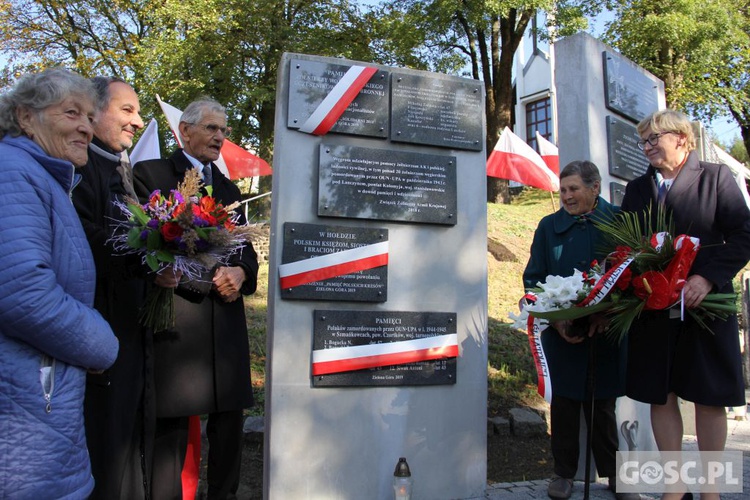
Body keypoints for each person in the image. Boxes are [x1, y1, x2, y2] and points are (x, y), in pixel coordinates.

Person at [0, 68, 119, 498]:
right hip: (23, 415)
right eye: (72, 113)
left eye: (90, 115)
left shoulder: (44, 178)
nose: (87, 126)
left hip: (41, 405)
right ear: (25, 117)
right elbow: (21, 293)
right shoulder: (13, 174)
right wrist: (102, 343)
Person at [133, 98, 259, 500]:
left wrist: (241, 273)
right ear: (184, 130)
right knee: (171, 433)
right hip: (180, 324)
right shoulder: (150, 174)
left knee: (229, 425)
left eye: (223, 130)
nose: (220, 137)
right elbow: (151, 247)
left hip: (226, 328)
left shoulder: (227, 188)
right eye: (211, 128)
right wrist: (210, 280)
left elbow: (246, 249)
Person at [623, 109, 750, 500]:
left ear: (681, 138)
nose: (646, 148)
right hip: (655, 308)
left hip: (704, 304)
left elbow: (744, 233)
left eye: (653, 140)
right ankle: (674, 487)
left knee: (708, 395)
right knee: (662, 394)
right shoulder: (638, 188)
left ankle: (711, 489)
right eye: (642, 142)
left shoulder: (715, 177)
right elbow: (628, 246)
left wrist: (706, 276)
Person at [72, 76, 176, 499]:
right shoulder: (78, 172)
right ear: (93, 112)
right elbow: (87, 243)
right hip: (101, 332)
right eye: (127, 110)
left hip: (132, 335)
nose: (137, 121)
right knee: (106, 450)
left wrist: (161, 267)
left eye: (138, 111)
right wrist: (147, 256)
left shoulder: (123, 171)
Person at [522, 161, 635, 500]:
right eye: (563, 191)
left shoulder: (618, 221)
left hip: (606, 331)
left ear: (595, 187)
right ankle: (563, 473)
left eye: (573, 189)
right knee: (566, 404)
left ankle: (616, 476)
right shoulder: (548, 226)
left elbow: (631, 274)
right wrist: (557, 319)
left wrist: (608, 314)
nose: (567, 197)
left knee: (603, 405)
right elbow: (534, 278)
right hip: (563, 331)